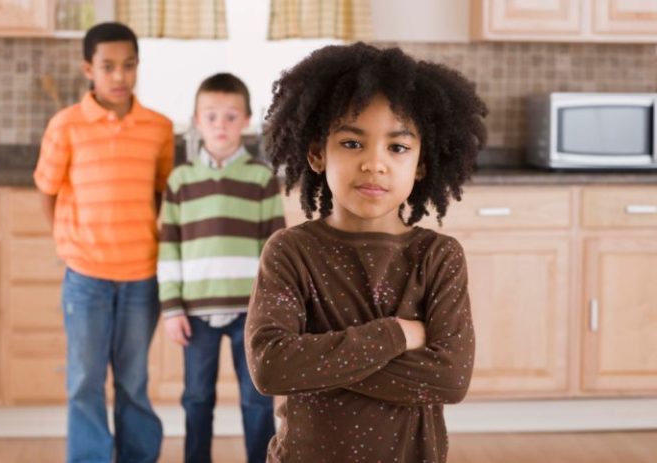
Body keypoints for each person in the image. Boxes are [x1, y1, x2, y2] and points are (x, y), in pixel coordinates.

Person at [245, 42, 487, 463]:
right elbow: (271, 367)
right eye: (353, 144)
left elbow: (450, 379)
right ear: (318, 153)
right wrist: (397, 334)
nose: (375, 164)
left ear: (422, 163)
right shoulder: (290, 251)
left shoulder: (438, 256)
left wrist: (318, 362)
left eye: (397, 147)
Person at [33, 22, 173, 463]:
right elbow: (48, 191)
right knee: (85, 381)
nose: (119, 76)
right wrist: (67, 240)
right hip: (86, 278)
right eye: (108, 66)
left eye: (128, 66)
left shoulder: (159, 127)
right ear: (88, 69)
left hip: (140, 277)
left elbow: (158, 191)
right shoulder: (66, 126)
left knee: (133, 381)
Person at [158, 72, 283, 463]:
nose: (221, 125)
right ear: (196, 121)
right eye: (211, 117)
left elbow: (276, 252)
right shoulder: (180, 181)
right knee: (196, 399)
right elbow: (169, 250)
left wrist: (274, 309)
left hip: (251, 313)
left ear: (246, 120)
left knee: (256, 400)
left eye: (231, 117)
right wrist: (171, 308)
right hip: (195, 313)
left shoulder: (262, 179)